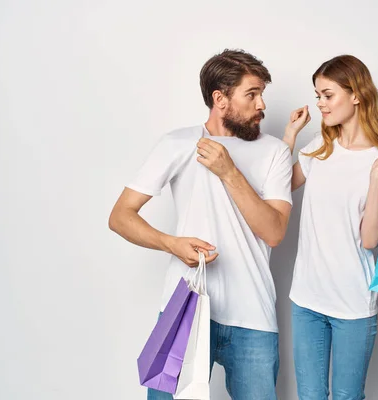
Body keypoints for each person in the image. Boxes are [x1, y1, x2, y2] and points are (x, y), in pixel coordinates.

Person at [109, 49, 294, 400]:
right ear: (220, 99)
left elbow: (274, 232)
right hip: (184, 308)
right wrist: (171, 243)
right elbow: (120, 216)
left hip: (252, 315)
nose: (262, 105)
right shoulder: (176, 144)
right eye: (251, 94)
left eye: (262, 94)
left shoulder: (275, 153)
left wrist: (229, 172)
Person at [283, 54, 378, 400]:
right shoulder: (319, 146)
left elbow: (370, 238)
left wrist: (376, 176)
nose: (320, 104)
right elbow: (280, 186)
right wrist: (290, 134)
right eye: (317, 95)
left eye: (328, 95)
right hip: (306, 300)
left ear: (356, 94)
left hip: (352, 303)